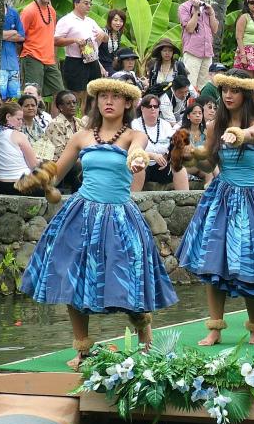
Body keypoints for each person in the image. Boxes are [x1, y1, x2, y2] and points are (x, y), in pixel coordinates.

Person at [20, 77, 178, 370]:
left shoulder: (134, 136)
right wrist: (40, 177)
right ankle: (82, 348)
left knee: (129, 278)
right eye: (103, 95)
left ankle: (145, 336)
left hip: (119, 215)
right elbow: (56, 172)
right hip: (82, 214)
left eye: (115, 97)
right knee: (73, 278)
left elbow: (137, 153)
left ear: (128, 103)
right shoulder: (82, 137)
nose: (108, 101)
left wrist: (138, 161)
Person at [176, 70, 254, 345]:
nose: (228, 95)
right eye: (224, 90)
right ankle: (215, 328)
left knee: (252, 261)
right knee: (213, 262)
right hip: (223, 196)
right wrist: (192, 157)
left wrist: (239, 134)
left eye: (234, 91)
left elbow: (253, 134)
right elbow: (208, 164)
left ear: (246, 94)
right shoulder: (214, 126)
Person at [54, 0, 107, 107]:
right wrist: (74, 40)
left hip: (92, 59)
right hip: (75, 60)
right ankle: (74, 117)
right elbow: (56, 40)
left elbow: (106, 39)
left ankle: (88, 119)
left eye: (90, 4)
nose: (89, 6)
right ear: (76, 4)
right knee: (76, 93)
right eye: (86, 3)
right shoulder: (66, 20)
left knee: (93, 92)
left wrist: (103, 34)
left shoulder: (90, 21)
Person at [20, 0, 65, 112]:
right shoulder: (29, 11)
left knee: (60, 93)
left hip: (49, 59)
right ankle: (31, 123)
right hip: (32, 56)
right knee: (32, 94)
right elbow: (20, 36)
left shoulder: (51, 11)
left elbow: (51, 36)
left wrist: (55, 57)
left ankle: (56, 125)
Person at [131, 93, 188, 191]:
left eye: (156, 106)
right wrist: (153, 156)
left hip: (163, 165)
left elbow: (173, 147)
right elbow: (134, 150)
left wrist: (167, 157)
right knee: (138, 164)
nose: (153, 109)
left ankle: (185, 200)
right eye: (149, 106)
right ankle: (132, 200)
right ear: (142, 108)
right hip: (144, 163)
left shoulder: (165, 125)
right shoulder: (135, 124)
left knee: (179, 167)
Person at [36, 91, 84, 193]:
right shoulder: (56, 124)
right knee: (82, 165)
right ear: (60, 107)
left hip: (77, 160)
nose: (72, 105)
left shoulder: (80, 122)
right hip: (59, 164)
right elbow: (60, 154)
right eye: (68, 103)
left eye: (74, 102)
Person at [178, 0, 218, 90]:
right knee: (190, 84)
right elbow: (190, 28)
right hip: (193, 51)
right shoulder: (184, 7)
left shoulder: (207, 7)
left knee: (205, 86)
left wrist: (212, 13)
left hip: (207, 52)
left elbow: (215, 30)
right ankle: (191, 107)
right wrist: (196, 10)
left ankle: (202, 107)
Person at [0, 102, 38, 195]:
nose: (21, 123)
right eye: (18, 119)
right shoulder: (19, 135)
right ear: (8, 117)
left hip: (2, 184)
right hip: (22, 183)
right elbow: (34, 165)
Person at [0, 0, 25, 100]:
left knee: (13, 96)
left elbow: (21, 36)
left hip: (12, 60)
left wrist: (3, 34)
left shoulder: (13, 13)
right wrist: (12, 32)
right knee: (0, 95)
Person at [98, 8, 127, 75]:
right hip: (100, 65)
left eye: (121, 21)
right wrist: (100, 67)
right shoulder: (103, 33)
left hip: (111, 65)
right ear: (110, 21)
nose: (118, 23)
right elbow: (94, 51)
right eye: (115, 20)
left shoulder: (118, 34)